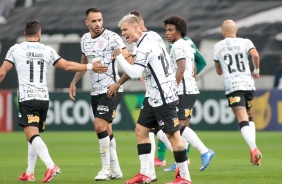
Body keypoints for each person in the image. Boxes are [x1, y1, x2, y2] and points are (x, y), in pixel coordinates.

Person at [0, 20, 108, 183]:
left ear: (25, 34)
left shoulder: (16, 49)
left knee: (31, 134)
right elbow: (66, 66)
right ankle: (29, 172)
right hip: (43, 99)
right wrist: (90, 67)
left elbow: (2, 72)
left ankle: (51, 166)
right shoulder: (47, 49)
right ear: (39, 34)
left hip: (27, 98)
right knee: (32, 134)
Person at [114, 14, 192, 184]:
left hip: (163, 95)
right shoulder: (152, 36)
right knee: (141, 131)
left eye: (125, 30)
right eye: (121, 31)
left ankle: (185, 177)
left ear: (136, 27)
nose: (123, 34)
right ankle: (146, 174)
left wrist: (120, 56)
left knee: (173, 136)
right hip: (153, 96)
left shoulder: (144, 46)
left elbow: (135, 73)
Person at [68, 7, 130, 181]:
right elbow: (84, 63)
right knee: (107, 129)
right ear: (87, 22)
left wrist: (120, 59)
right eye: (94, 21)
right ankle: (116, 170)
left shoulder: (112, 37)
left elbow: (127, 56)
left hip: (111, 88)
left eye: (100, 20)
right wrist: (74, 82)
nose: (98, 24)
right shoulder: (85, 40)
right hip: (95, 90)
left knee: (99, 125)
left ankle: (105, 169)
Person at [160, 15, 215, 172]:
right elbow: (194, 67)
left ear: (180, 31)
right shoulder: (186, 45)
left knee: (179, 127)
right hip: (187, 89)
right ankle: (183, 160)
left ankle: (205, 151)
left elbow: (182, 68)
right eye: (166, 30)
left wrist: (174, 90)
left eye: (171, 30)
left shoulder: (178, 46)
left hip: (183, 91)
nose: (167, 33)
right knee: (175, 128)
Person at [213, 20, 262, 166]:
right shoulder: (246, 42)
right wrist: (256, 70)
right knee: (249, 116)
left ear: (223, 32)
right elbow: (255, 56)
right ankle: (252, 150)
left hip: (233, 86)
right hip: (248, 84)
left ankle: (254, 149)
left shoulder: (217, 46)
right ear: (237, 30)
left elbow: (218, 71)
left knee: (242, 119)